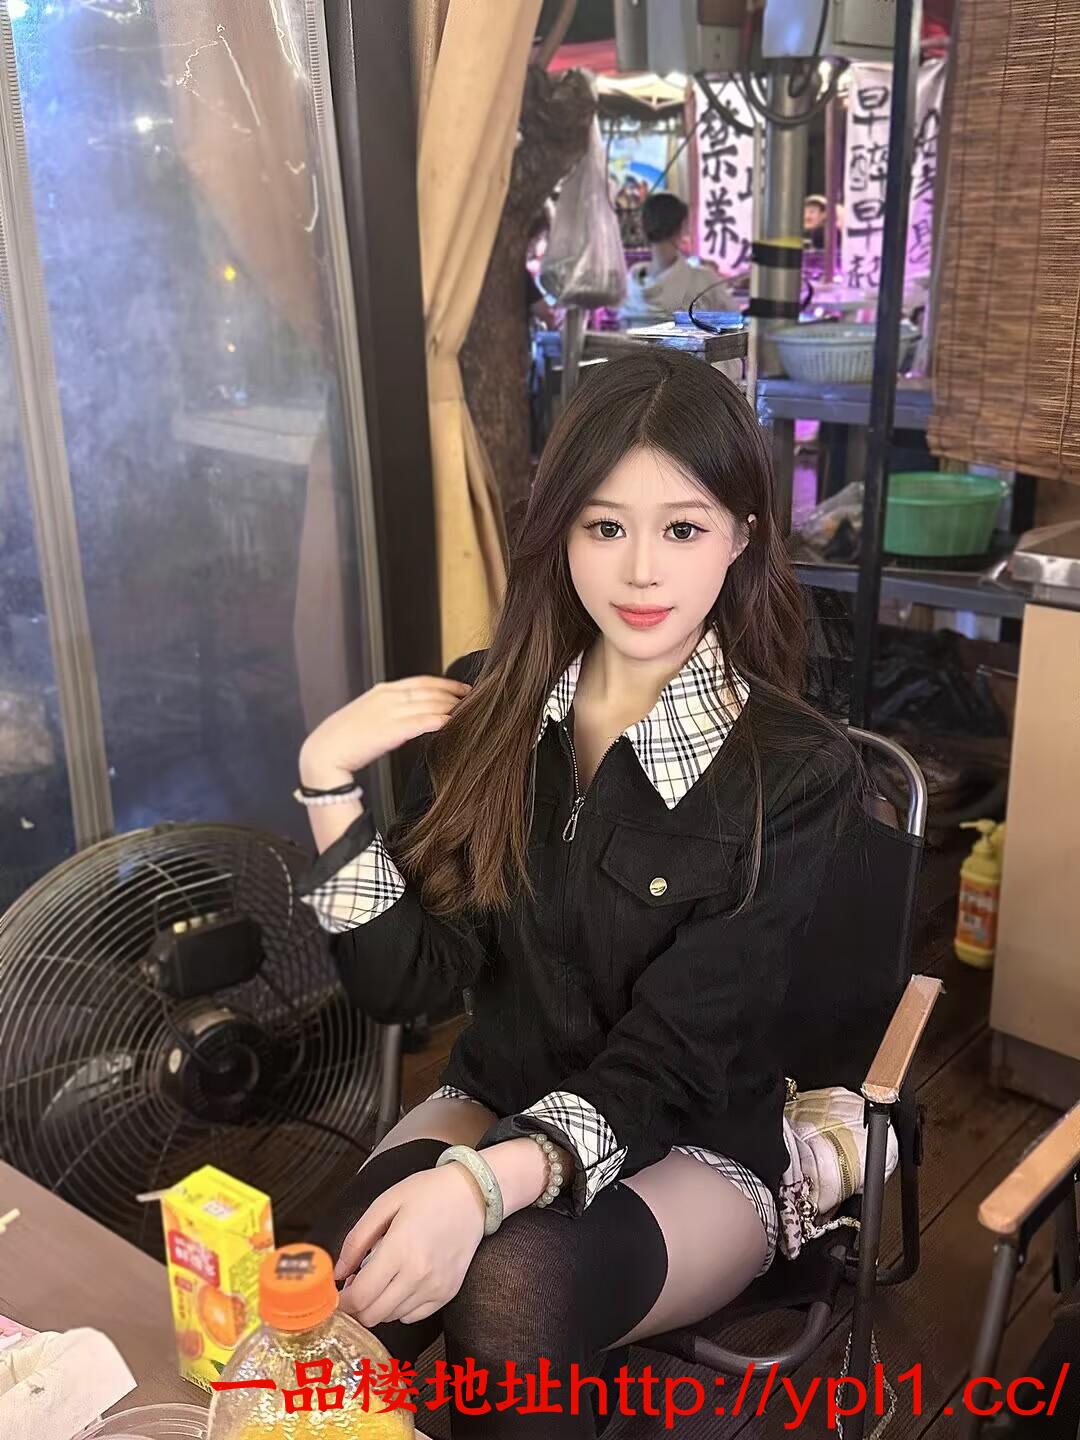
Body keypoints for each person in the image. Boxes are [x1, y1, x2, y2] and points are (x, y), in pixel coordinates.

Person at [297, 351, 859, 1437]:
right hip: (497, 1094)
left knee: (511, 1285)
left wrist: (480, 1188)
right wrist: (327, 787)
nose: (640, 571)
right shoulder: (489, 709)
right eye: (606, 527)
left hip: (689, 1143)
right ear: (560, 532)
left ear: (743, 534)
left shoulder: (792, 770)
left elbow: (674, 1061)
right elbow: (408, 986)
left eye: (682, 528)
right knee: (324, 1302)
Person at [619, 190, 732, 325]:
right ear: (682, 227)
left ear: (642, 229)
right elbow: (735, 324)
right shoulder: (705, 282)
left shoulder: (630, 286)